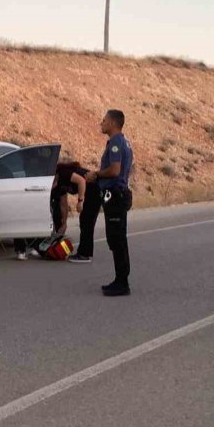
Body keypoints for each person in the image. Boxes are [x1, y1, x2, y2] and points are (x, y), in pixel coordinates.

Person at [83, 110, 134, 296]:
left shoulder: (116, 142)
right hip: (117, 194)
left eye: (104, 120)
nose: (101, 123)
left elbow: (114, 170)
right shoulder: (122, 141)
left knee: (117, 239)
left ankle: (122, 283)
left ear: (112, 123)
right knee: (117, 238)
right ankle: (120, 279)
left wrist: (96, 174)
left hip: (115, 195)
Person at [50, 161, 89, 238]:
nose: (53, 185)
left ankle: (85, 249)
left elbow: (81, 181)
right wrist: (64, 223)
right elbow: (63, 204)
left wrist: (80, 201)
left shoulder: (63, 173)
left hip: (92, 187)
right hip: (86, 192)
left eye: (53, 182)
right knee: (84, 221)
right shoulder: (58, 187)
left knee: (86, 221)